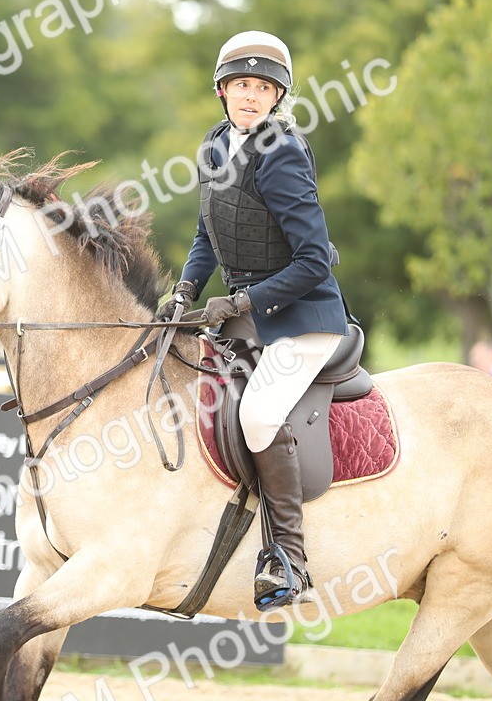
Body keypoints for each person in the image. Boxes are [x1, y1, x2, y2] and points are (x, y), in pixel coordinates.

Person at [156, 31, 348, 610]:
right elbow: (208, 234)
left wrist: (241, 302)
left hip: (303, 318)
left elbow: (314, 260)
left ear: (277, 97)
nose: (250, 96)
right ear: (222, 90)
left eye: (263, 88)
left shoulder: (281, 152)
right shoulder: (215, 144)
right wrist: (186, 289)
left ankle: (289, 559)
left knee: (260, 412)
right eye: (242, 85)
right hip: (252, 316)